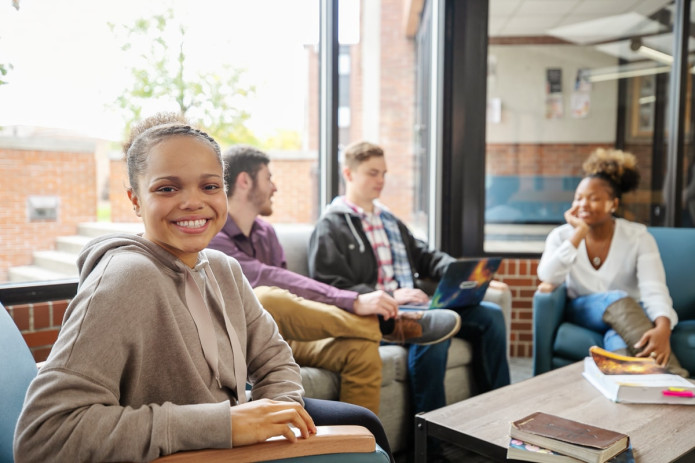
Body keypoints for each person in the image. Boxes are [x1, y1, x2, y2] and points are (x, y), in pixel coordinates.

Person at [13, 113, 393, 462]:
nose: (193, 202)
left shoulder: (224, 267)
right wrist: (225, 426)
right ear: (134, 200)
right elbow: (44, 436)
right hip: (194, 447)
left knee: (365, 421)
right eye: (166, 189)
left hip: (232, 431)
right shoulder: (124, 280)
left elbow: (275, 359)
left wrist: (276, 414)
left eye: (209, 186)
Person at [207, 145, 462, 416]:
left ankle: (360, 448)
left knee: (360, 350)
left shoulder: (266, 232)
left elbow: (291, 294)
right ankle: (385, 325)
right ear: (245, 181)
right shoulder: (215, 236)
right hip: (240, 340)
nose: (275, 187)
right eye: (269, 178)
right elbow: (271, 279)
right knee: (267, 296)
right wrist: (353, 300)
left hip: (278, 336)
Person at [308, 141, 511, 416]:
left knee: (490, 315)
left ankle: (499, 410)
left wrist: (473, 276)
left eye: (384, 173)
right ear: (349, 174)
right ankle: (431, 443)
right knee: (435, 331)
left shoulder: (389, 219)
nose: (380, 180)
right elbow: (329, 285)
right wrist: (391, 296)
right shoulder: (331, 226)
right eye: (372, 173)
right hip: (381, 314)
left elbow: (425, 256)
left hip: (417, 306)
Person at [537, 148, 688, 377]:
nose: (583, 204)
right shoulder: (561, 236)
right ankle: (675, 377)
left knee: (617, 340)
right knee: (618, 298)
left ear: (613, 204)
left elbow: (653, 287)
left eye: (594, 198)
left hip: (626, 319)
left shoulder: (638, 237)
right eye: (579, 198)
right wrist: (578, 235)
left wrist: (663, 328)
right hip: (583, 309)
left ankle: (624, 387)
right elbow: (547, 276)